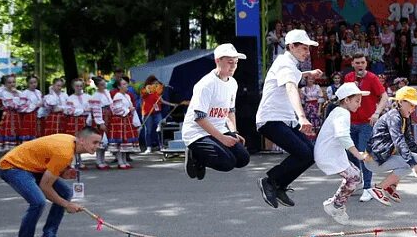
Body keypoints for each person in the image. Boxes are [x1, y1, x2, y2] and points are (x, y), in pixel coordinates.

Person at [0, 126, 102, 237]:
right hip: (13, 167)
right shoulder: (64, 152)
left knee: (65, 192)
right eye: (95, 142)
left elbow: (47, 159)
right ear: (82, 140)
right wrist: (67, 205)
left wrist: (62, 172)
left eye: (99, 143)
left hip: (31, 166)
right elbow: (45, 187)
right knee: (38, 202)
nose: (98, 146)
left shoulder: (71, 142)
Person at [256, 31, 323, 208]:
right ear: (291, 46)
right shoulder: (285, 64)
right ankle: (270, 181)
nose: (307, 52)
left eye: (308, 48)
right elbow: (291, 88)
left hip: (284, 119)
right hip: (271, 119)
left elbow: (294, 75)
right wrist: (302, 117)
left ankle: (279, 185)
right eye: (303, 48)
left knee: (311, 154)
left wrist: (308, 73)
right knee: (303, 152)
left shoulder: (289, 64)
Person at [181, 44, 251, 182]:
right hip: (197, 132)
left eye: (236, 63)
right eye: (229, 62)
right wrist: (222, 138)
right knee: (227, 163)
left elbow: (230, 111)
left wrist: (234, 132)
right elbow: (199, 117)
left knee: (243, 159)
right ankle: (196, 155)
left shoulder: (233, 83)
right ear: (217, 61)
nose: (233, 66)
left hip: (219, 129)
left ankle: (207, 152)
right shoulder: (206, 84)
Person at [313, 82, 375, 224]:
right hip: (329, 155)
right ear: (346, 100)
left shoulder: (338, 112)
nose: (359, 105)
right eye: (357, 101)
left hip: (330, 153)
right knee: (354, 178)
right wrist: (359, 155)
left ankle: (335, 203)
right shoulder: (342, 113)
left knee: (355, 176)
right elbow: (343, 136)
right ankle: (336, 205)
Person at [367, 86, 417, 204]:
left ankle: (391, 187)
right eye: (411, 104)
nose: (413, 108)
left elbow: (408, 141)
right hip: (374, 160)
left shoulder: (403, 118)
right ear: (400, 102)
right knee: (411, 162)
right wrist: (413, 165)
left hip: (383, 157)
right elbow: (399, 141)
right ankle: (378, 188)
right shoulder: (394, 117)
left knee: (415, 158)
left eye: (415, 105)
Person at [343, 53, 389, 203]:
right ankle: (359, 180)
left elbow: (384, 96)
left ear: (366, 64)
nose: (360, 65)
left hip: (366, 123)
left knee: (364, 154)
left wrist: (376, 112)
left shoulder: (372, 78)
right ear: (352, 64)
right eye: (357, 62)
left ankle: (368, 188)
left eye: (362, 62)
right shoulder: (348, 78)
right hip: (350, 122)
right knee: (351, 155)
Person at [107, 79, 140, 169]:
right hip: (119, 121)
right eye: (124, 84)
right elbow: (117, 110)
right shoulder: (118, 96)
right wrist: (129, 110)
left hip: (126, 120)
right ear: (119, 86)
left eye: (126, 83)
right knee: (120, 141)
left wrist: (131, 111)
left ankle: (124, 160)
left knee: (125, 142)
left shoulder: (127, 96)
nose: (126, 85)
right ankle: (120, 161)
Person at [88, 77, 113, 170]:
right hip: (101, 117)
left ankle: (103, 159)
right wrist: (100, 122)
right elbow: (96, 110)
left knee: (105, 140)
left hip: (107, 116)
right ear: (97, 86)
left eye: (105, 84)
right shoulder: (96, 96)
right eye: (102, 84)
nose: (104, 86)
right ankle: (98, 160)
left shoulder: (107, 92)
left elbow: (111, 104)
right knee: (100, 139)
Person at [138, 75, 164, 154]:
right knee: (148, 130)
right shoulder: (144, 90)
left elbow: (160, 99)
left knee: (160, 128)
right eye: (154, 83)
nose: (156, 85)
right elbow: (145, 93)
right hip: (147, 113)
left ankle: (161, 146)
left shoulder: (157, 91)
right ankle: (148, 147)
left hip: (157, 112)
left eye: (157, 83)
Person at [300, 74, 324, 139]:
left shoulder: (317, 87)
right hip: (307, 108)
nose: (311, 80)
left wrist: (319, 111)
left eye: (312, 79)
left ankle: (316, 139)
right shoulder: (303, 89)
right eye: (309, 79)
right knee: (308, 123)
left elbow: (320, 100)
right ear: (306, 80)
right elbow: (302, 102)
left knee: (316, 123)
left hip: (315, 107)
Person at [18, 76, 42, 143]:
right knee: (29, 131)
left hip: (38, 115)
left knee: (38, 130)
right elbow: (21, 107)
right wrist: (34, 106)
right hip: (29, 116)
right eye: (31, 83)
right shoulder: (25, 93)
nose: (34, 84)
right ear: (27, 84)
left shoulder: (38, 92)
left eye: (35, 82)